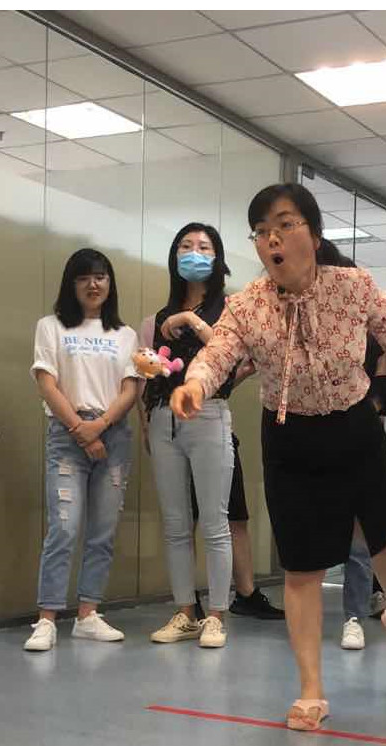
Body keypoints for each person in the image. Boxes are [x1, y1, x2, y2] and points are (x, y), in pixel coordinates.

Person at [174, 183, 386, 731]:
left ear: (314, 236)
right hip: (288, 438)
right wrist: (195, 385)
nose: (272, 239)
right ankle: (311, 690)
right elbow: (217, 353)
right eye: (262, 231)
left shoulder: (354, 287)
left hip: (354, 428)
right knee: (301, 567)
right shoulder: (247, 305)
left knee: (385, 538)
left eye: (284, 225)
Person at [28, 248, 141, 651]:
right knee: (64, 528)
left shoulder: (125, 335)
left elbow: (131, 389)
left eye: (100, 277)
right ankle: (46, 619)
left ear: (110, 283)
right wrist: (81, 430)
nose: (93, 285)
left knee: (102, 532)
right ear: (71, 284)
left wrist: (100, 427)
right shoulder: (51, 326)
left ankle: (88, 614)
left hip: (113, 436)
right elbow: (46, 383)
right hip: (67, 434)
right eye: (83, 277)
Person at [141, 224, 240, 648]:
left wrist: (192, 321)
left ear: (217, 258)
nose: (193, 252)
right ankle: (185, 611)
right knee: (176, 524)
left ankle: (216, 615)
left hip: (208, 413)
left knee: (215, 522)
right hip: (163, 417)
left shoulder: (230, 308)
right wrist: (147, 420)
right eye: (185, 246)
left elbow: (230, 357)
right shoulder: (161, 316)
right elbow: (151, 374)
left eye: (203, 247)